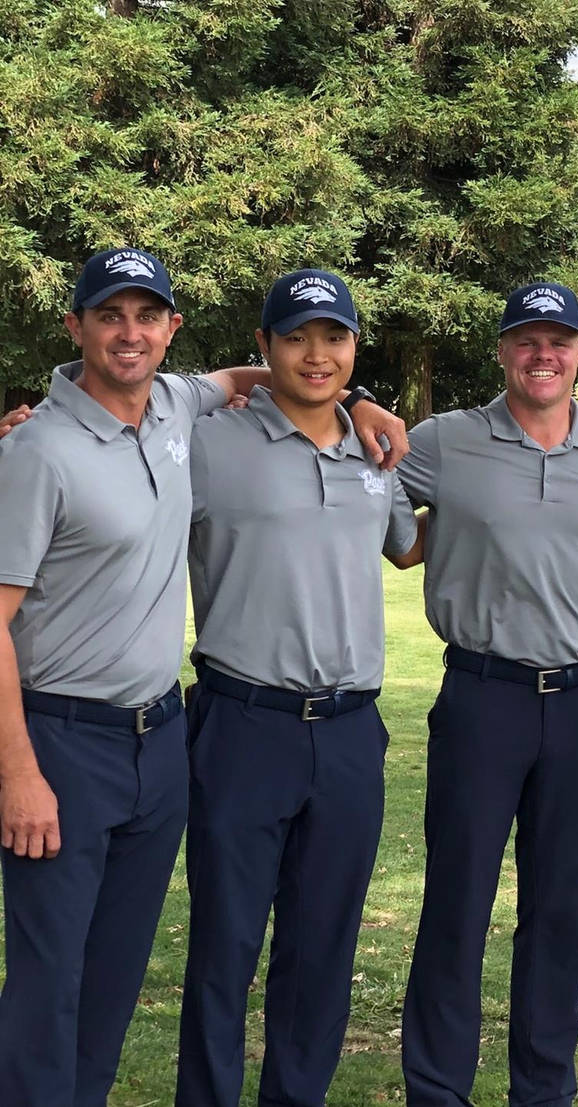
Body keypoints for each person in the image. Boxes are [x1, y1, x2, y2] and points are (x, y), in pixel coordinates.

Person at [0, 247, 405, 1104]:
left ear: (171, 329)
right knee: (76, 979)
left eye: (147, 315)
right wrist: (17, 771)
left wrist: (362, 400)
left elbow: (241, 376)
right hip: (103, 733)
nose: (130, 332)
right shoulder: (64, 447)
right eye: (109, 314)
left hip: (187, 738)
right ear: (75, 326)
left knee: (122, 973)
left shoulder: (178, 412)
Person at [398, 281, 578, 1107]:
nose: (542, 354)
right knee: (459, 901)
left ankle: (543, 1090)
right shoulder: (443, 441)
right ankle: (439, 1089)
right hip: (483, 696)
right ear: (502, 351)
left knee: (557, 911)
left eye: (559, 340)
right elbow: (367, 489)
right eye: (526, 339)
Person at [174, 269, 425, 1106]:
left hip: (351, 732)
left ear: (355, 347)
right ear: (265, 346)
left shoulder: (374, 450)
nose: (316, 354)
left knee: (322, 950)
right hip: (244, 722)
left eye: (333, 337)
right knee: (224, 948)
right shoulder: (212, 444)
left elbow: (405, 545)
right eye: (295, 336)